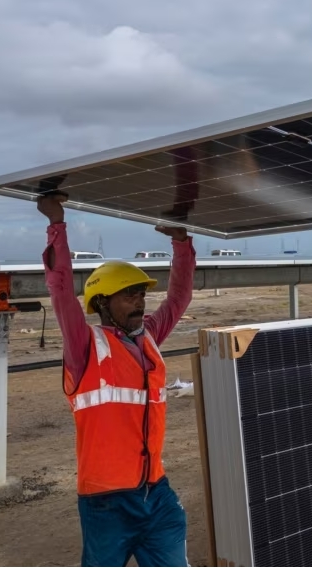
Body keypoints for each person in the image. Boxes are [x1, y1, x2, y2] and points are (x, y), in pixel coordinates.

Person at [37, 193, 197, 567]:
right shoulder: (84, 347)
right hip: (106, 502)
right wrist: (56, 225)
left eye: (141, 294)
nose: (140, 302)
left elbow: (178, 299)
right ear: (104, 303)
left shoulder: (149, 338)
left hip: (155, 493)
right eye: (129, 295)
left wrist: (181, 242)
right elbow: (61, 293)